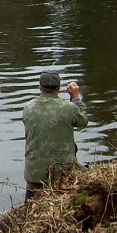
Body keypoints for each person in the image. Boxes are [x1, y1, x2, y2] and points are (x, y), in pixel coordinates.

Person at [22, 70, 88, 201]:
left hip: (34, 174)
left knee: (29, 208)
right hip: (62, 172)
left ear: (39, 87)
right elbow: (82, 121)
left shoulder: (27, 108)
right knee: (90, 174)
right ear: (59, 88)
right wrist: (75, 98)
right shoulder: (69, 108)